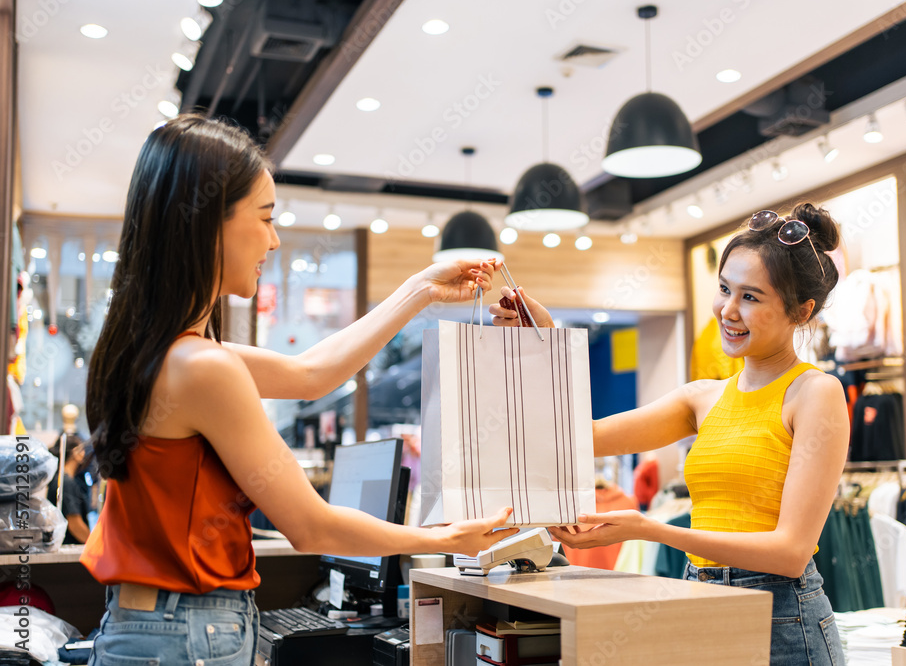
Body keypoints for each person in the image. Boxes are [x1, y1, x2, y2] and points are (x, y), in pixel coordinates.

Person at [80, 114, 517, 666]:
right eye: (264, 218)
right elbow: (309, 525)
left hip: (151, 626)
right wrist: (447, 539)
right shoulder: (202, 368)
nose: (274, 238)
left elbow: (313, 373)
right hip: (188, 633)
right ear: (209, 222)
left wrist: (420, 290)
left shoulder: (161, 351)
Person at [492, 204, 849, 665]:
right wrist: (542, 344)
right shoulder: (703, 398)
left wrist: (649, 529)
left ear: (802, 310)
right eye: (724, 289)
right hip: (699, 597)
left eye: (751, 297)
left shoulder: (815, 392)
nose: (728, 310)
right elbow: (581, 436)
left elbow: (789, 553)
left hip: (781, 618)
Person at [46, 433, 92, 544]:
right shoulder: (66, 483)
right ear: (75, 452)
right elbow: (75, 525)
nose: (84, 453)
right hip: (69, 545)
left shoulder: (60, 480)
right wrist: (95, 546)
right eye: (82, 449)